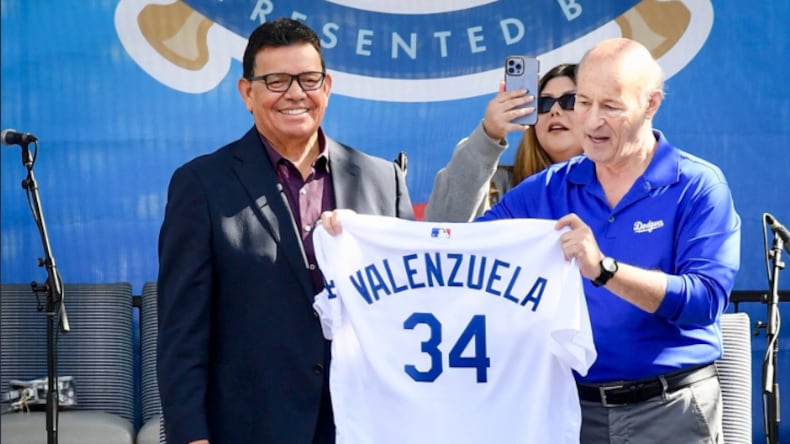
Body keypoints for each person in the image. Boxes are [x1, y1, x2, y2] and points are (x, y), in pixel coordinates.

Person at [321, 37, 740, 443]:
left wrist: (605, 270)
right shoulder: (548, 189)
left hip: (669, 410)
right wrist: (359, 234)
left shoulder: (697, 185)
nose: (591, 121)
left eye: (610, 107)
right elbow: (454, 245)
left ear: (651, 103)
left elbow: (704, 301)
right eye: (584, 102)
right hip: (571, 411)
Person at [157, 18, 413, 444]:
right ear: (247, 93)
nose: (295, 93)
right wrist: (190, 435)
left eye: (308, 79)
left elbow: (410, 305)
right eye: (276, 80)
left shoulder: (383, 179)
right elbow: (182, 330)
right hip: (250, 426)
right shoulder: (202, 184)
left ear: (327, 87)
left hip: (366, 424)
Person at [424, 63, 581, 222]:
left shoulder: (606, 190)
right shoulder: (497, 186)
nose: (555, 110)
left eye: (570, 100)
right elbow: (443, 226)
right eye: (544, 103)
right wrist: (489, 134)